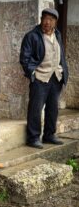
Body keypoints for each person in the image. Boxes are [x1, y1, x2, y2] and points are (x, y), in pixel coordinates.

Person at [20, 8, 68, 149]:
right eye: (45, 18)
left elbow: (61, 55)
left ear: (55, 22)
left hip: (56, 77)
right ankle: (33, 138)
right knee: (35, 109)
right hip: (40, 77)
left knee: (53, 108)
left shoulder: (57, 35)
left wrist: (64, 71)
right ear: (41, 19)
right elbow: (24, 58)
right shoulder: (32, 36)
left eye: (51, 20)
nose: (47, 22)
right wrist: (32, 73)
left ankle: (49, 135)